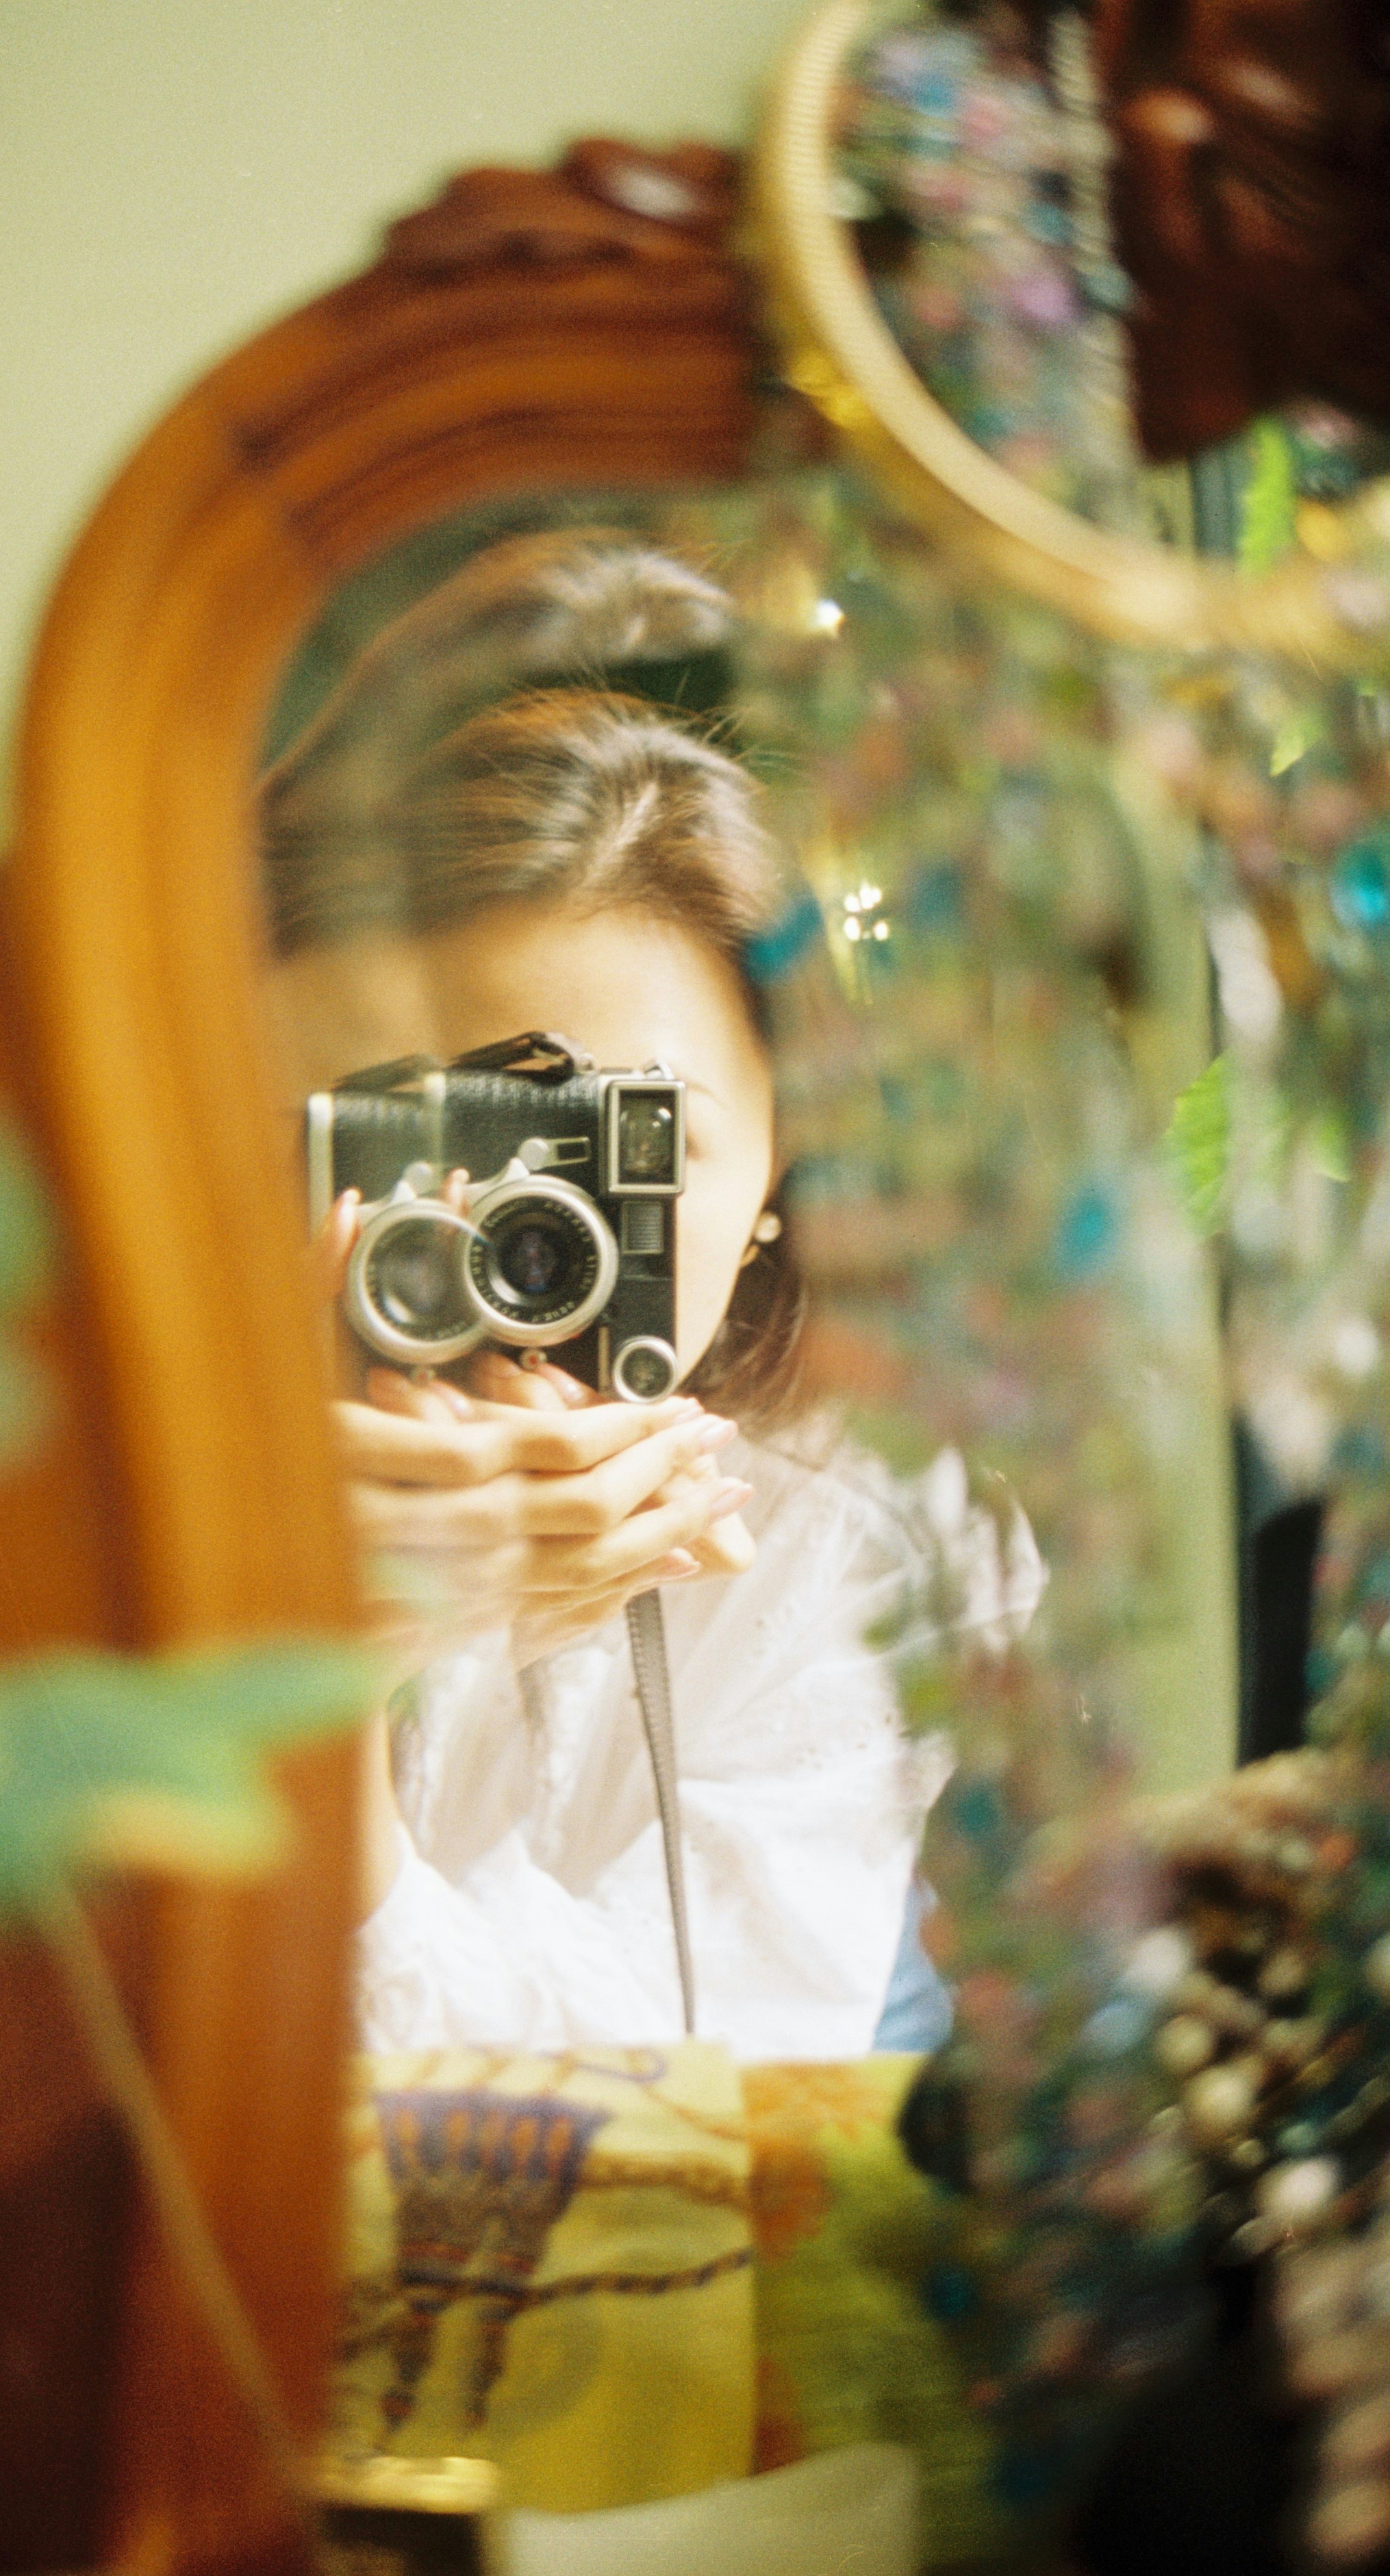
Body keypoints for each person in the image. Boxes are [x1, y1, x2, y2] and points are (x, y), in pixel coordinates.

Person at [260, 531, 1039, 2061]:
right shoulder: (125, 1451)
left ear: (783, 1164)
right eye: (413, 1136)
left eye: (619, 1146)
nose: (511, 1237)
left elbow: (650, 2134)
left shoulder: (846, 1533)